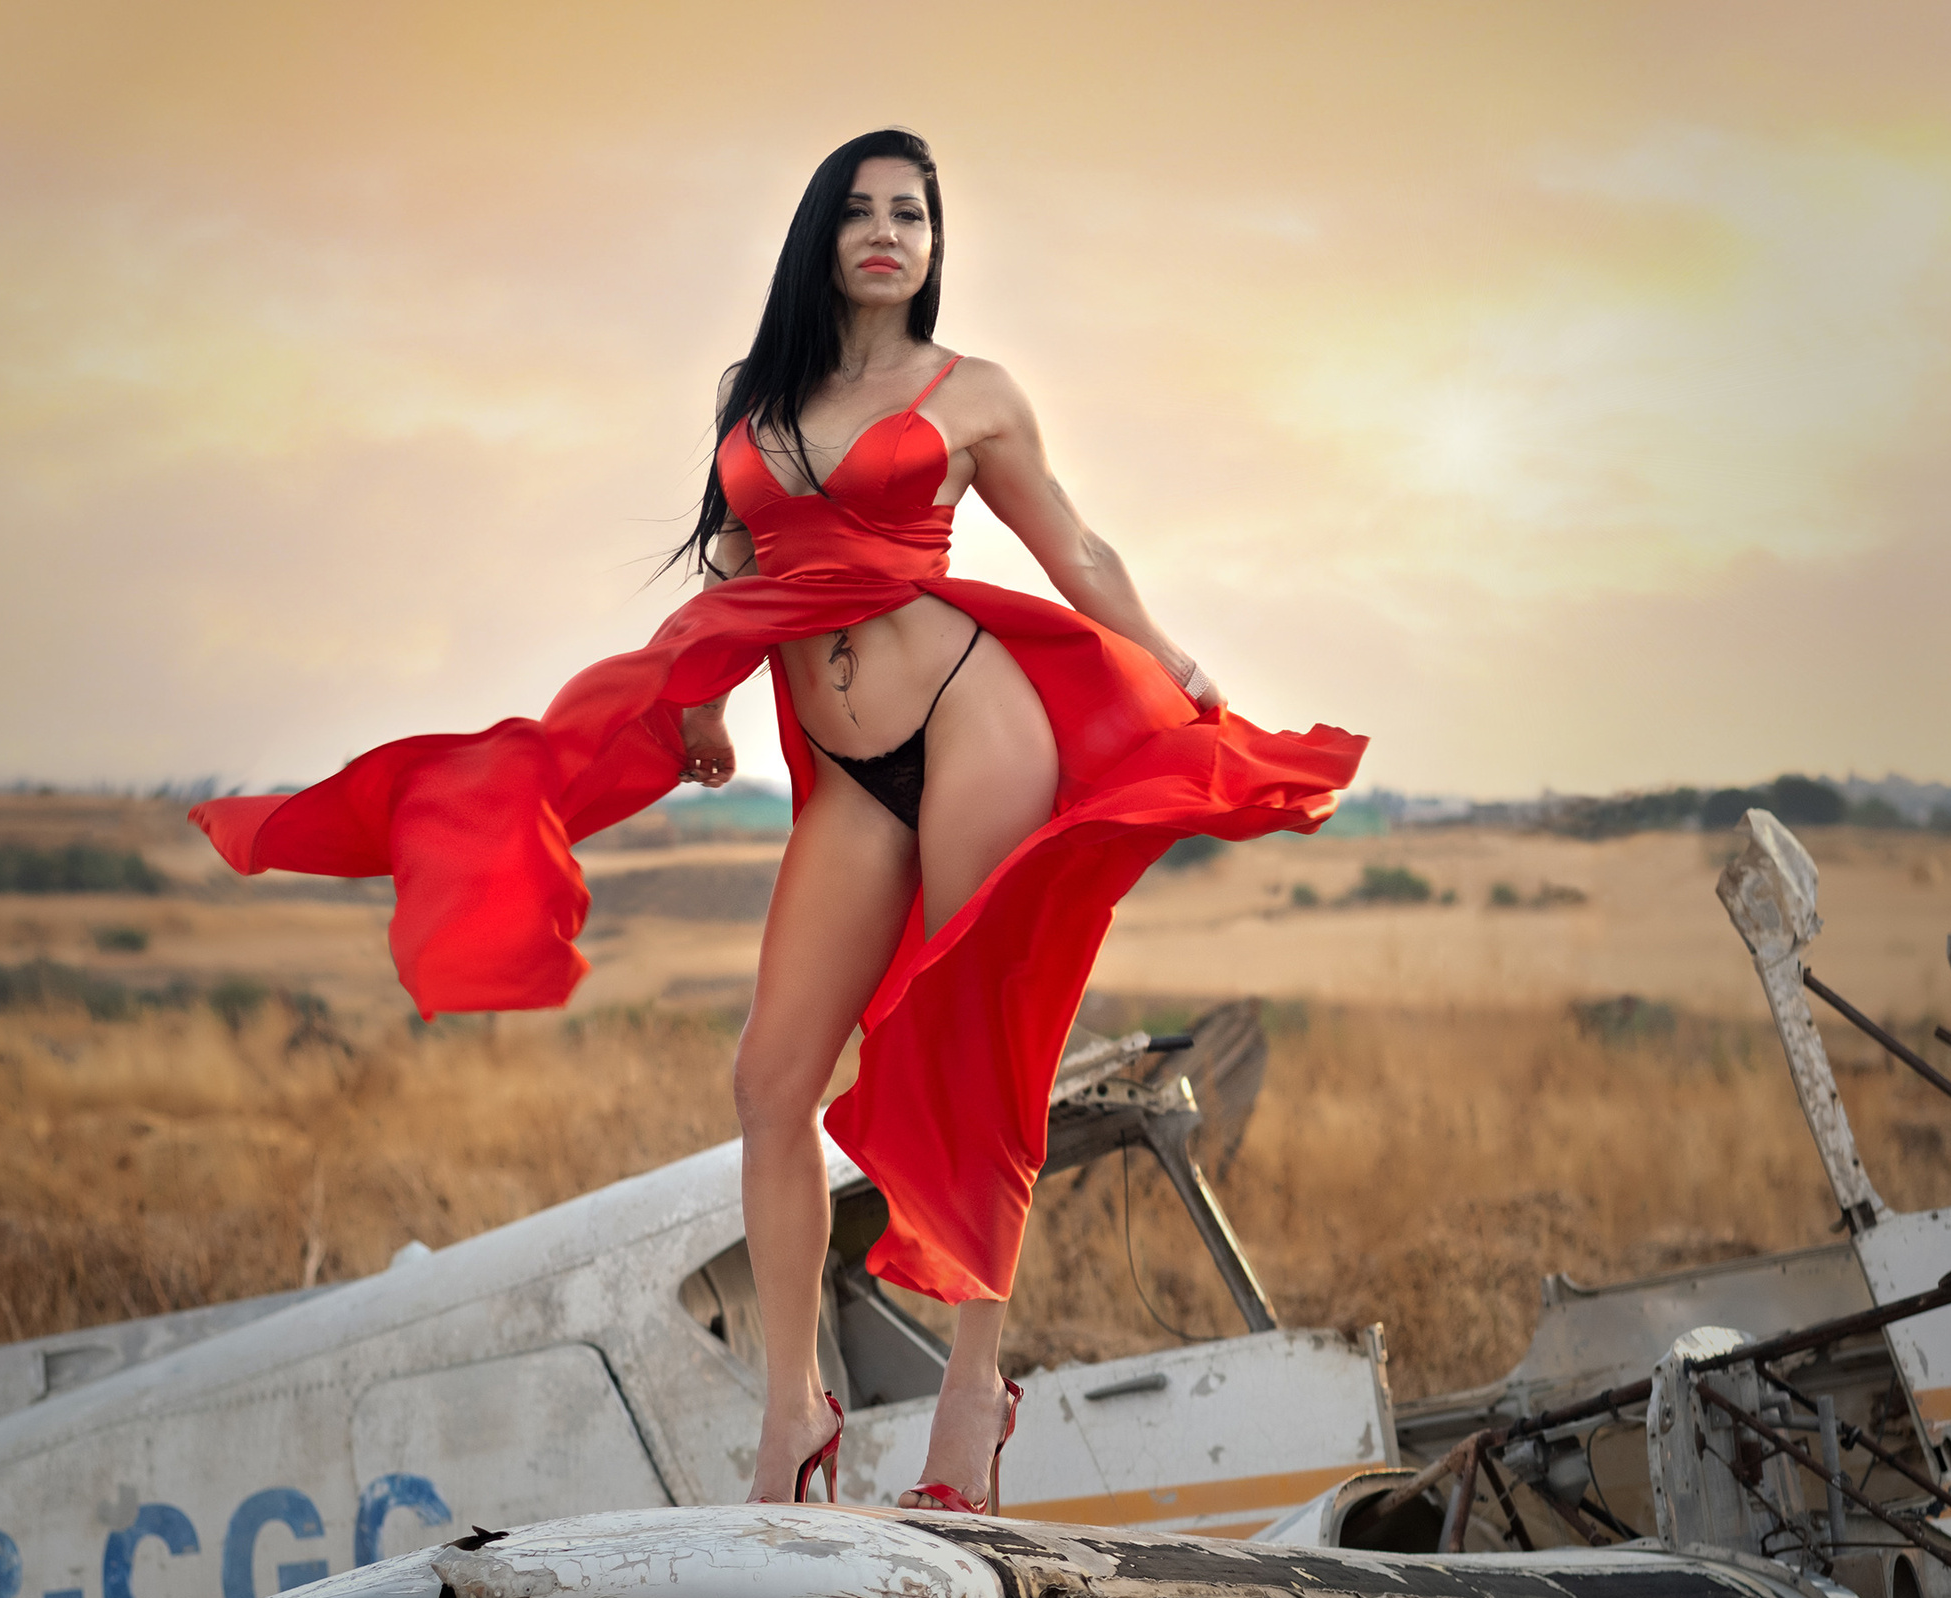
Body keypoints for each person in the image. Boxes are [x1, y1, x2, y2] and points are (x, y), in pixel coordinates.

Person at [189, 130, 1366, 1515]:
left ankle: (970, 1404)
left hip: (977, 723)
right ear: (822, 235)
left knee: (975, 1041)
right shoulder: (761, 402)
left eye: (911, 214)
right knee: (771, 1080)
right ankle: (793, 1412)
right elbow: (743, 563)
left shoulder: (974, 392)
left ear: (935, 244)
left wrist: (1172, 659)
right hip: (842, 773)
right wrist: (699, 704)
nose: (886, 232)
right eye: (860, 211)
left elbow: (1077, 548)